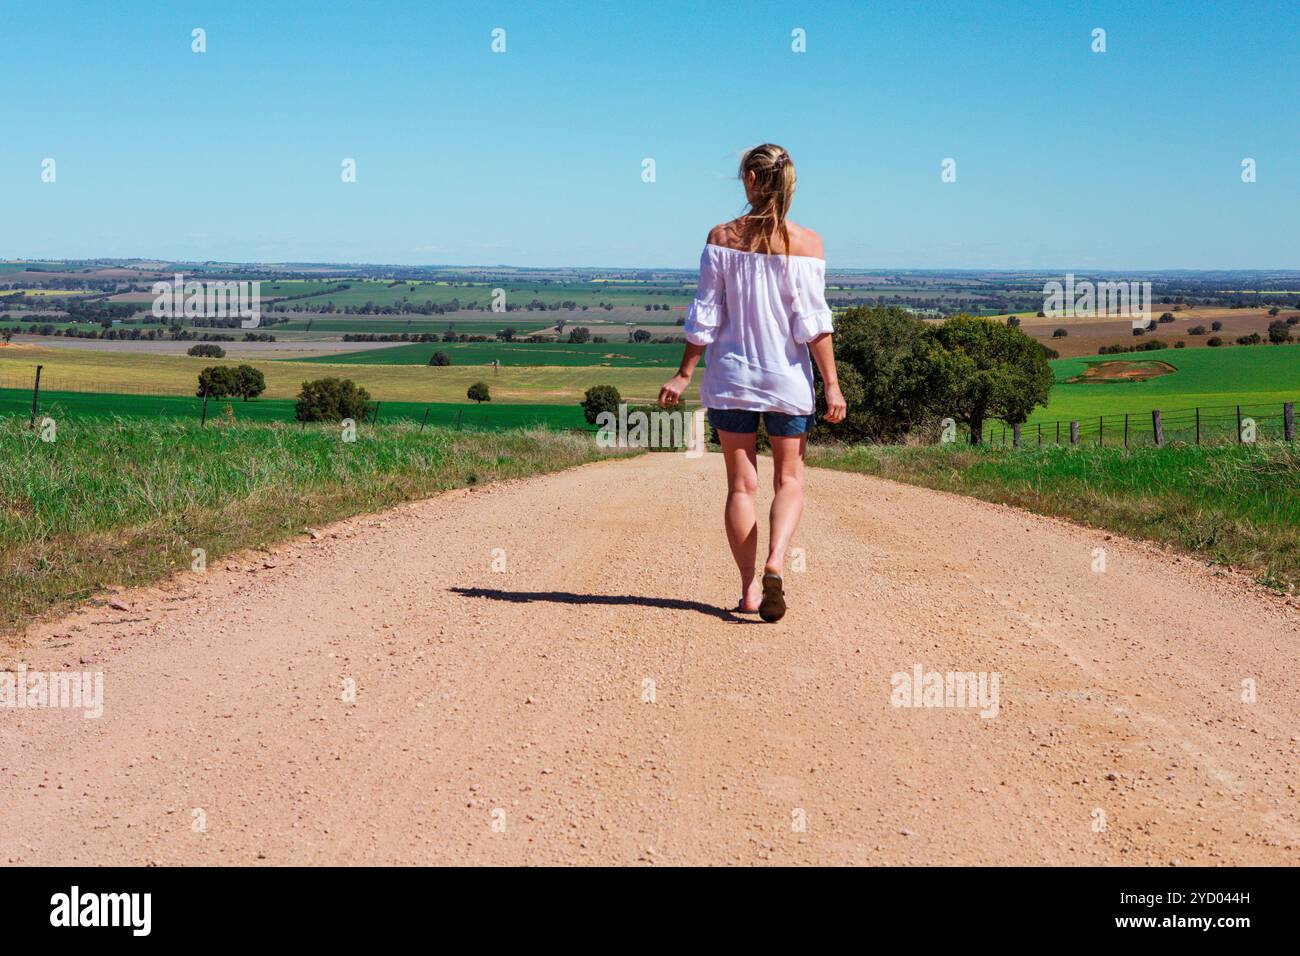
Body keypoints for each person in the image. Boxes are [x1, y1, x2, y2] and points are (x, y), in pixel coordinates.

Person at [658, 143, 846, 623]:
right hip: (788, 385)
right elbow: (814, 325)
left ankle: (748, 592)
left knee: (742, 486)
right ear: (789, 184)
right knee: (789, 479)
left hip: (731, 379)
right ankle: (776, 562)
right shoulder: (808, 244)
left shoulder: (721, 237)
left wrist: (683, 374)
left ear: (750, 181)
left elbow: (705, 316)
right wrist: (832, 385)